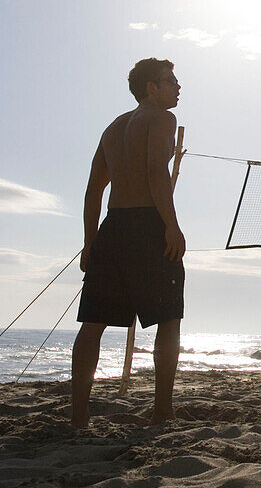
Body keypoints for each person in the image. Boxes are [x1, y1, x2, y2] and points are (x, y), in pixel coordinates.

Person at [70, 58, 186, 428]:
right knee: (168, 318)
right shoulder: (161, 119)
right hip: (147, 225)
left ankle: (78, 416)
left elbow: (92, 191)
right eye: (170, 81)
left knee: (94, 323)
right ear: (151, 88)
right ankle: (162, 412)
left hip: (113, 228)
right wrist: (171, 226)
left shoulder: (114, 126)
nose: (178, 86)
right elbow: (155, 171)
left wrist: (90, 242)